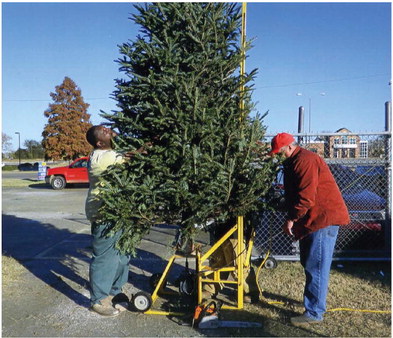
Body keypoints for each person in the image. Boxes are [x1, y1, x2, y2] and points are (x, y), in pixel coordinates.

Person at [269, 132, 350, 325]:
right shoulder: (295, 161)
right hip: (313, 219)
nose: (278, 156)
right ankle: (314, 304)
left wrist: (291, 219)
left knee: (317, 265)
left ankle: (314, 313)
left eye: (279, 152)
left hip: (322, 219)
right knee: (310, 262)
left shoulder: (305, 161)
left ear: (289, 147)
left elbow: (306, 198)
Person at [85, 125, 131, 317]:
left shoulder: (111, 152)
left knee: (122, 253)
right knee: (105, 256)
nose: (110, 130)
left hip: (120, 210)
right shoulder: (101, 158)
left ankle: (115, 291)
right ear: (99, 142)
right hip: (104, 212)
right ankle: (98, 300)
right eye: (105, 131)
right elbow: (131, 156)